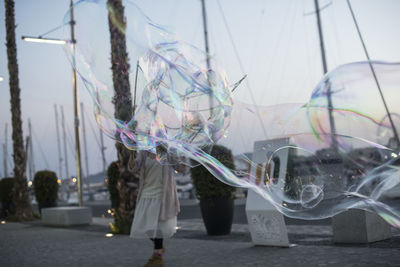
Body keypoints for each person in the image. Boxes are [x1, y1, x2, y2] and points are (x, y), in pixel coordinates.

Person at [129, 147, 186, 267]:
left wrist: (183, 153)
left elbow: (181, 168)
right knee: (146, 226)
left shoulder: (167, 152)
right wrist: (131, 153)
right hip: (146, 193)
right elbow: (133, 168)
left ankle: (158, 256)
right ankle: (158, 247)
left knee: (157, 226)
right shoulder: (143, 153)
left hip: (162, 194)